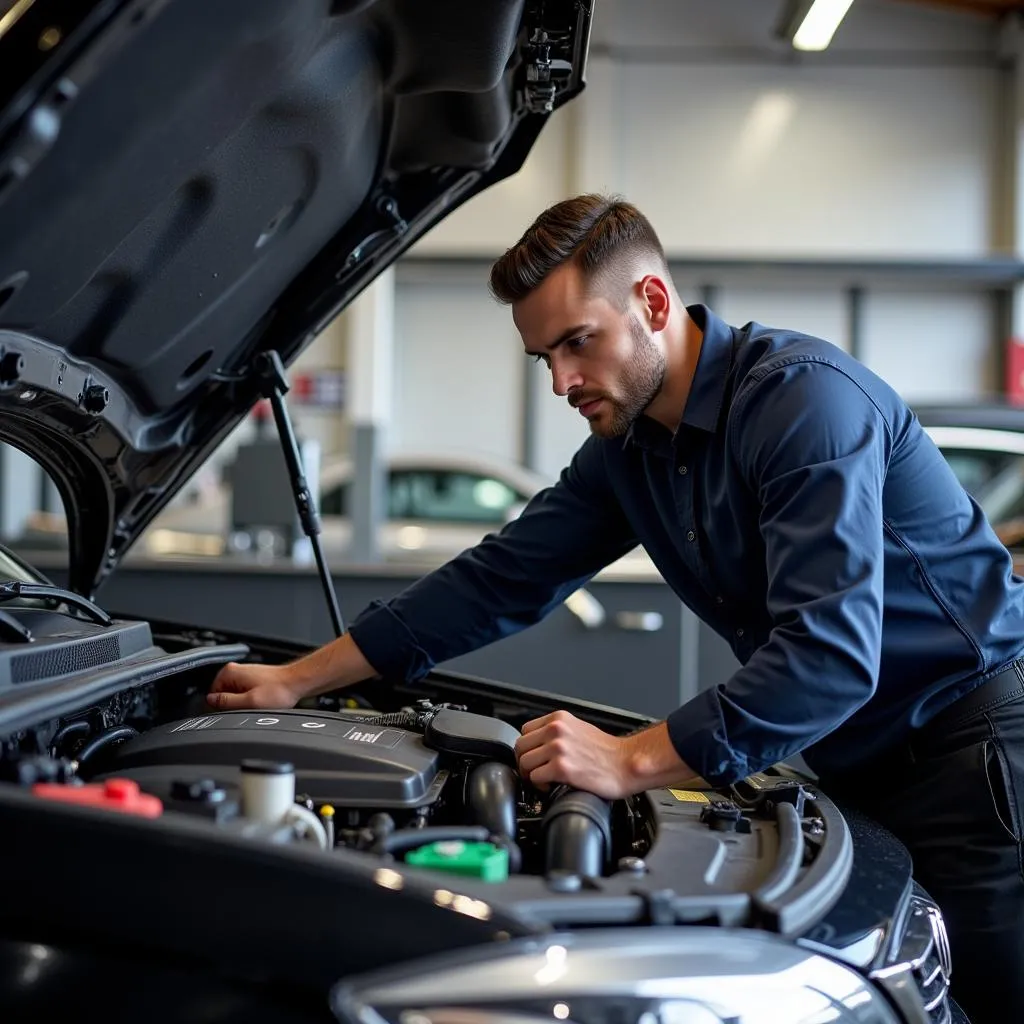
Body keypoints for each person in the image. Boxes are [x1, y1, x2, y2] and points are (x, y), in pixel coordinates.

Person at [209, 194, 1024, 1022]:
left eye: (577, 343)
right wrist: (296, 680)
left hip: (983, 765)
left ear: (654, 302)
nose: (562, 381)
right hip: (864, 773)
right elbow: (499, 579)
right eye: (544, 359)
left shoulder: (802, 404)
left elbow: (830, 658)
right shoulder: (629, 452)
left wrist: (628, 761)